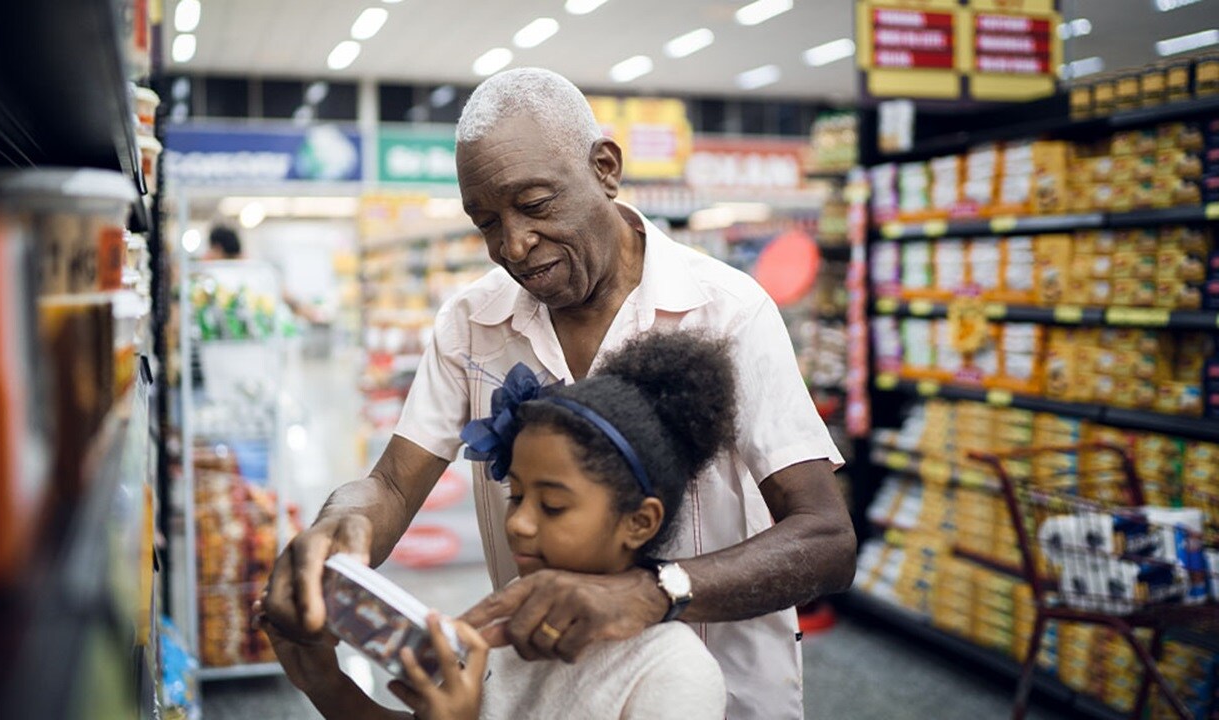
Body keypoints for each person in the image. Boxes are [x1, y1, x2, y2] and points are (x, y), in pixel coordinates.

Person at [262, 66, 856, 720]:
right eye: (486, 222)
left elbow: (826, 538)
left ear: (605, 168)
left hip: (721, 690)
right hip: (547, 686)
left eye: (537, 204)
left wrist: (654, 590)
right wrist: (339, 528)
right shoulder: (472, 323)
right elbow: (394, 487)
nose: (514, 245)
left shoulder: (727, 312)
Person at [261, 331, 733, 719]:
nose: (519, 523)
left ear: (639, 521)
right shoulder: (511, 616)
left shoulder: (672, 673)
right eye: (516, 496)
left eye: (552, 505)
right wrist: (325, 682)